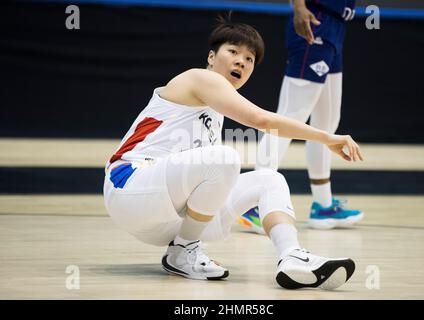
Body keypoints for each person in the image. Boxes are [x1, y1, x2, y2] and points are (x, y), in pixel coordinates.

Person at [103, 17, 363, 290]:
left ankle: (291, 256)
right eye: (233, 52)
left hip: (165, 218)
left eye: (249, 58)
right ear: (211, 57)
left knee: (269, 179)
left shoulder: (215, 112)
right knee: (225, 159)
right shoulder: (198, 78)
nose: (241, 61)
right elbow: (262, 120)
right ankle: (184, 251)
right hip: (129, 186)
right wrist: (326, 138)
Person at [238, 0, 363, 233]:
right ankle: (254, 204)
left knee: (327, 122)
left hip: (336, 25)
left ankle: (323, 204)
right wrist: (298, 6)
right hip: (314, 21)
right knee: (289, 118)